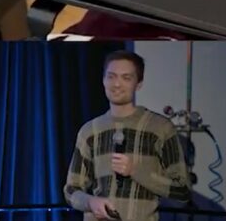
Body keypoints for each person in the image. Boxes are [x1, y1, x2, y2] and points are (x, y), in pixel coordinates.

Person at [64, 51, 191, 221]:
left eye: (126, 78)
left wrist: (136, 171)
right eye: (111, 76)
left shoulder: (160, 128)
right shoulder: (89, 131)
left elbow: (182, 191)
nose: (117, 84)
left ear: (139, 84)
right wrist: (91, 202)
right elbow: (71, 190)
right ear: (103, 80)